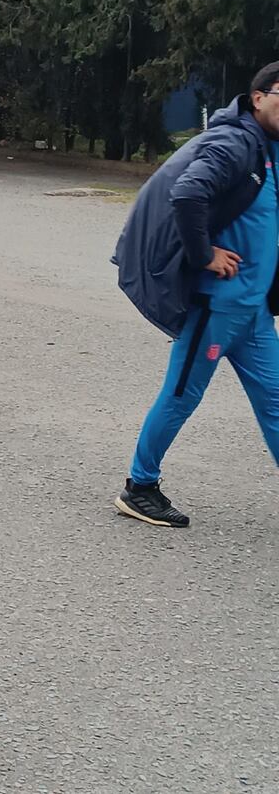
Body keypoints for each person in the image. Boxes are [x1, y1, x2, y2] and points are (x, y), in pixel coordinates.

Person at [112, 63, 279, 527]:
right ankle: (139, 486)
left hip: (254, 312)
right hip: (217, 307)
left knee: (277, 402)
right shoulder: (235, 143)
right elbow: (188, 195)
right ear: (259, 97)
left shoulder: (269, 151)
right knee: (181, 395)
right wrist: (204, 255)